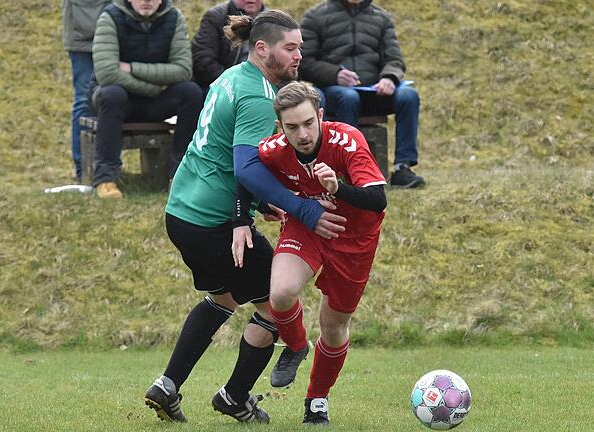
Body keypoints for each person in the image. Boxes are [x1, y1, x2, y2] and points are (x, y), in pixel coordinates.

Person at [144, 10, 346, 424]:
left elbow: (228, 158)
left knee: (223, 298)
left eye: (300, 47)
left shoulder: (232, 77)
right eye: (290, 48)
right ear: (262, 48)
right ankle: (234, 397)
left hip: (183, 210)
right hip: (213, 219)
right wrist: (301, 208)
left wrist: (259, 205)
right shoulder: (258, 95)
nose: (298, 56)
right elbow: (246, 169)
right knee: (276, 307)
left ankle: (167, 387)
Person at [234, 81, 387, 425]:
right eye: (291, 127)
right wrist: (241, 218)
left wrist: (338, 188)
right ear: (280, 127)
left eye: (307, 123)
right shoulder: (275, 149)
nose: (301, 134)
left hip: (355, 238)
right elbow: (246, 174)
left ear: (320, 116)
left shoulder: (347, 141)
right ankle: (296, 346)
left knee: (333, 327)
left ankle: (317, 399)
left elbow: (378, 199)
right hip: (307, 226)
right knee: (281, 293)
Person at [298, 0, 425, 188]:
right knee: (348, 97)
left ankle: (402, 168)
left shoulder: (382, 18)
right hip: (334, 92)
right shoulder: (315, 16)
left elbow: (394, 59)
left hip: (375, 92)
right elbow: (304, 63)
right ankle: (349, 168)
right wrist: (335, 74)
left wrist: (389, 77)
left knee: (408, 96)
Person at [89, 0, 202, 198]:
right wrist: (153, 87)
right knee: (112, 93)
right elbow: (107, 73)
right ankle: (105, 178)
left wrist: (132, 68)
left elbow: (183, 70)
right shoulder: (110, 17)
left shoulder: (173, 18)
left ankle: (180, 175)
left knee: (191, 92)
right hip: (119, 101)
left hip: (156, 101)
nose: (147, 1)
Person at [62, 0, 111, 181]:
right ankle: (84, 169)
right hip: (83, 36)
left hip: (116, 31)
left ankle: (108, 168)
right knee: (84, 100)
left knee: (113, 97)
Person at [191, 0, 266, 91]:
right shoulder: (215, 16)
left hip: (260, 85)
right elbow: (203, 61)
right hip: (220, 85)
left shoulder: (273, 23)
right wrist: (232, 82)